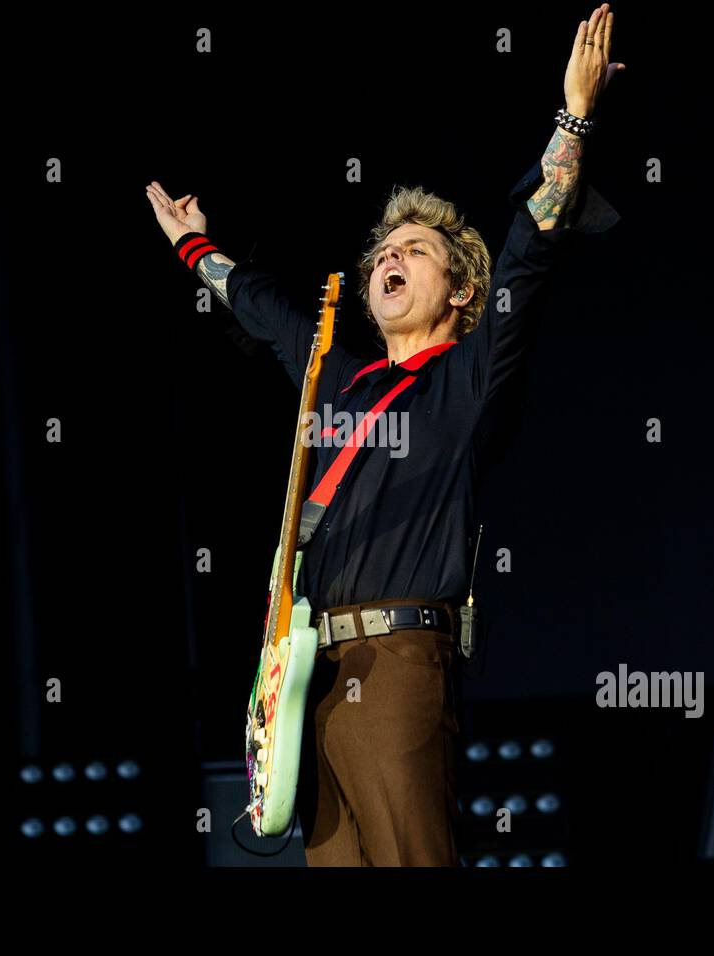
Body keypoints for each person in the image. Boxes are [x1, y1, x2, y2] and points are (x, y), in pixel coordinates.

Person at [148, 4, 623, 866]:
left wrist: (573, 116)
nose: (387, 260)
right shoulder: (339, 375)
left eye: (414, 250)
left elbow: (531, 244)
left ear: (459, 293)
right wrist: (195, 247)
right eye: (381, 253)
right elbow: (265, 311)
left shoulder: (470, 378)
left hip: (401, 662)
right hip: (309, 677)